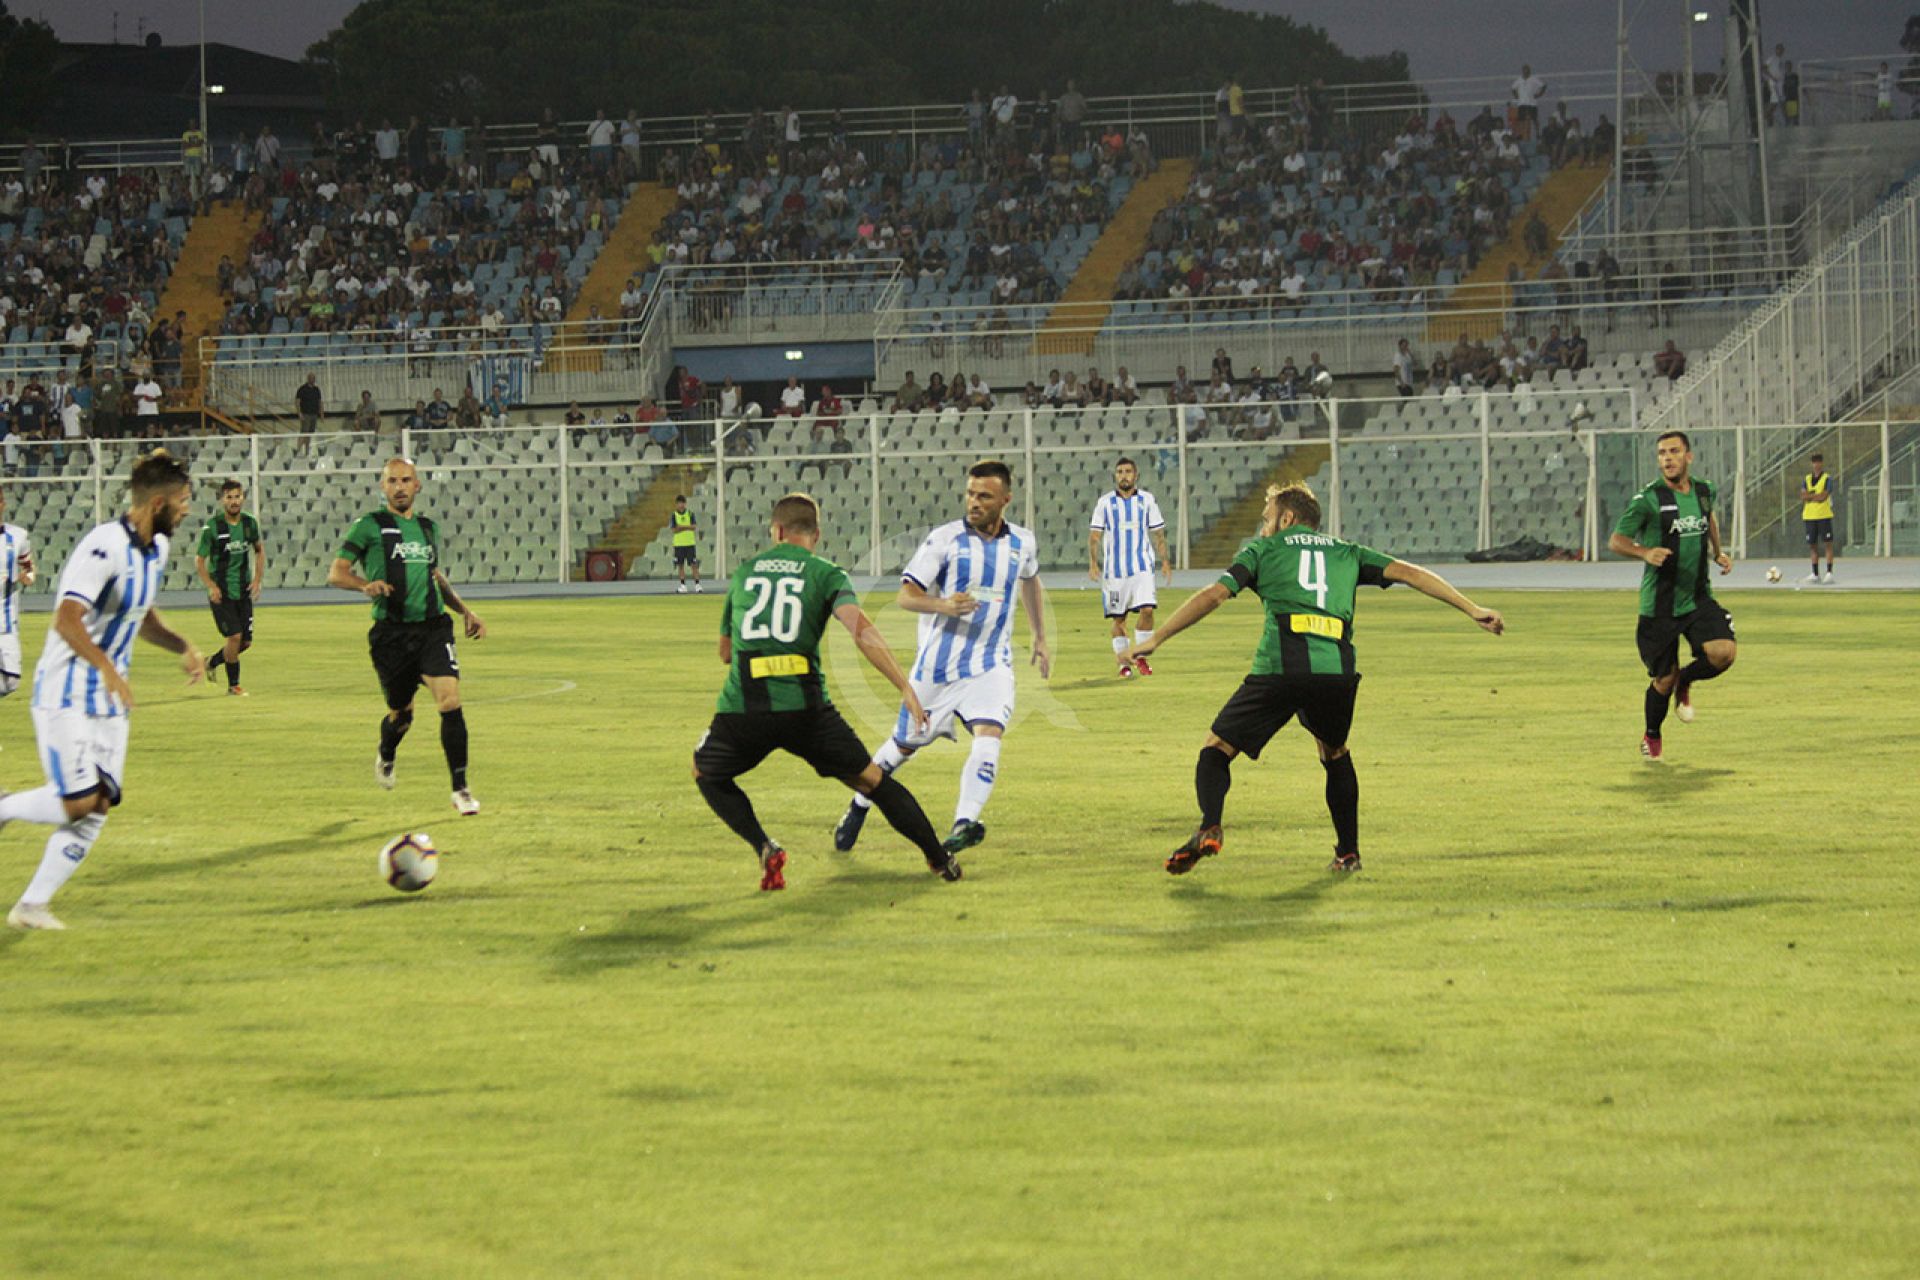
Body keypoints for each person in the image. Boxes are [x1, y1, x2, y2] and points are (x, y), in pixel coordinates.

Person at [1127, 483, 1503, 876]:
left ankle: (1210, 826)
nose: (1263, 528)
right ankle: (1348, 854)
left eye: (1267, 519)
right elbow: (1411, 573)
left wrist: (1156, 638)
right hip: (1336, 671)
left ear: (1287, 518)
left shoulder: (1263, 550)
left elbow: (1214, 595)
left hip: (1280, 668)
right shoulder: (1348, 552)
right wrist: (1472, 608)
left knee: (1217, 748)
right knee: (1334, 752)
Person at [693, 494, 963, 891]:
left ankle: (764, 846)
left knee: (706, 773)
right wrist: (904, 686)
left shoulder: (744, 574)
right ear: (815, 535)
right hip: (806, 712)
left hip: (744, 709)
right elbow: (860, 630)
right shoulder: (826, 573)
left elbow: (725, 653)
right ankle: (940, 860)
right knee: (872, 781)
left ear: (777, 531)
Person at [3, 451, 204, 931]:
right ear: (158, 503)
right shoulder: (103, 546)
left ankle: (32, 906)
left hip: (110, 701)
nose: (187, 510)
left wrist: (182, 645)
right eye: (182, 502)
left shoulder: (157, 549)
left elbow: (141, 616)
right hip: (66, 689)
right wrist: (107, 667)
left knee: (98, 807)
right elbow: (67, 620)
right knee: (77, 801)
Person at [833, 460, 1051, 860]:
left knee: (990, 735)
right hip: (937, 669)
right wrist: (944, 605)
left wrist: (1039, 635)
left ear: (1005, 499)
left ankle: (963, 823)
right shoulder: (944, 540)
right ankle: (859, 805)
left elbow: (1030, 580)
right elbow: (906, 595)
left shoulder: (1023, 542)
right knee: (902, 747)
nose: (974, 502)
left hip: (991, 665)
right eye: (970, 494)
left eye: (984, 496)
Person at [328, 458, 488, 815]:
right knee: (401, 716)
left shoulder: (428, 529)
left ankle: (461, 788)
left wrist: (465, 611)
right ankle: (387, 752)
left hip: (433, 628)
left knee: (449, 700)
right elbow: (337, 573)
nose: (399, 487)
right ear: (383, 487)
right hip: (391, 636)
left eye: (405, 480)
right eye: (392, 481)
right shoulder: (369, 526)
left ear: (417, 485)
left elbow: (434, 576)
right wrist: (364, 585)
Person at [1607, 431, 1735, 760]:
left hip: (1697, 596)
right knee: (1663, 679)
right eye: (1662, 453)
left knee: (1724, 653)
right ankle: (1652, 736)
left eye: (1674, 451)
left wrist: (1718, 552)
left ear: (1688, 456)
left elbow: (1708, 518)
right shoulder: (1648, 499)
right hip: (1659, 605)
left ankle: (1685, 681)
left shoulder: (1705, 490)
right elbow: (1617, 540)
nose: (1667, 458)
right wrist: (1645, 552)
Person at [1088, 457, 1172, 679]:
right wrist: (1093, 563)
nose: (1123, 476)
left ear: (1136, 475)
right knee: (1119, 619)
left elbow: (1159, 534)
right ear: (1115, 476)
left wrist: (1165, 561)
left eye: (1127, 471)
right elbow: (1094, 536)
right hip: (1115, 573)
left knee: (1147, 610)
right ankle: (1124, 663)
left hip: (1142, 567)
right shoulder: (1105, 503)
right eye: (1120, 472)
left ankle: (1141, 655)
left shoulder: (1147, 500)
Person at [194, 479, 265, 697]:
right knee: (234, 637)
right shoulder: (212, 528)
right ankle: (234, 686)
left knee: (245, 642)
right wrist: (211, 586)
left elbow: (259, 550)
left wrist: (257, 580)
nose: (234, 501)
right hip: (222, 593)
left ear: (243, 498)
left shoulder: (249, 523)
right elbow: (199, 560)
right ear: (222, 500)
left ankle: (211, 662)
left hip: (243, 590)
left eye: (237, 496)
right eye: (229, 497)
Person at [0, 486, 35, 699]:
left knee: (12, 680)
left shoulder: (18, 536)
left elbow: (29, 568)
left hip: (7, 621)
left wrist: (28, 577)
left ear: (3, 504)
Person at [1800, 452, 1836, 583]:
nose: (1816, 465)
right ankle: (1815, 573)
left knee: (1827, 544)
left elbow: (1823, 497)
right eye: (1814, 462)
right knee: (1812, 545)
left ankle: (1829, 572)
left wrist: (1811, 496)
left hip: (1823, 515)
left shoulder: (1827, 479)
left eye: (1818, 462)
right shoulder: (1807, 479)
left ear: (1821, 463)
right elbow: (1803, 496)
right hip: (1809, 516)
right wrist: (1815, 496)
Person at [669, 494, 701, 593]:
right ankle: (683, 585)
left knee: (693, 565)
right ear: (676, 504)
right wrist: (687, 527)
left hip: (690, 543)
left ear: (685, 504)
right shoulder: (674, 515)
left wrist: (681, 527)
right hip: (679, 544)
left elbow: (694, 526)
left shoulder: (690, 514)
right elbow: (674, 530)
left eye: (682, 503)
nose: (681, 505)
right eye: (679, 503)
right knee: (680, 565)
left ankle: (697, 585)